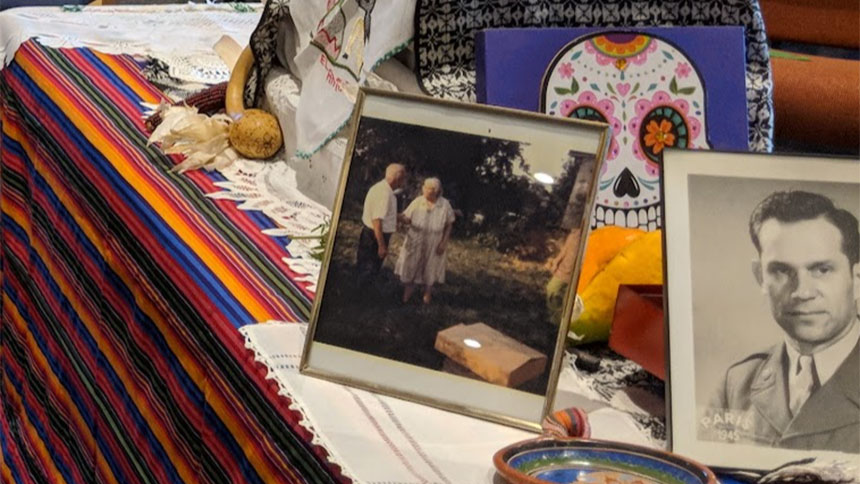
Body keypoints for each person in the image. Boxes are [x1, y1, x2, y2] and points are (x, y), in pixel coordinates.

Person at [703, 190, 859, 453]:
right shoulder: (737, 383)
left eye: (822, 270)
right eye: (782, 271)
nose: (802, 292)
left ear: (856, 278)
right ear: (760, 277)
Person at [394, 177, 455, 304]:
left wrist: (444, 242)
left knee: (430, 266)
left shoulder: (444, 205)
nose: (424, 189)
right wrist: (397, 217)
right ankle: (406, 297)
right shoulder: (418, 201)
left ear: (436, 191)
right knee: (411, 264)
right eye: (424, 187)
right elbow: (407, 218)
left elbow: (449, 224)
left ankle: (427, 295)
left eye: (428, 188)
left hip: (435, 240)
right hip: (416, 238)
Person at [357, 163, 406, 283]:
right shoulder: (384, 193)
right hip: (374, 236)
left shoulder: (384, 189)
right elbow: (377, 220)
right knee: (369, 268)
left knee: (370, 267)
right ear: (397, 178)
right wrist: (381, 245)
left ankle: (362, 291)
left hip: (374, 234)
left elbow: (384, 213)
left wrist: (400, 218)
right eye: (404, 178)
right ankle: (362, 295)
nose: (404, 181)